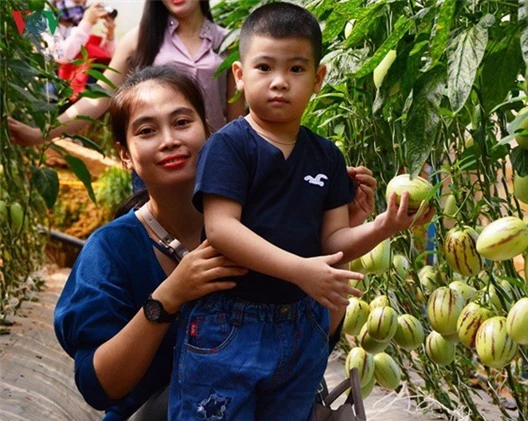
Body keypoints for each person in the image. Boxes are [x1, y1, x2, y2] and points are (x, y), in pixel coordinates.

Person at [53, 65, 376, 421]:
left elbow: (316, 338)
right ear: (124, 154)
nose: (169, 140)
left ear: (210, 132)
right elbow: (99, 386)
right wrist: (169, 297)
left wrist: (339, 236)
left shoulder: (270, 229)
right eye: (147, 130)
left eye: (181, 122)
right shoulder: (111, 251)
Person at [168, 3, 434, 420]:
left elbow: (333, 241)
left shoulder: (326, 156)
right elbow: (221, 229)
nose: (279, 82)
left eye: (295, 69)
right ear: (240, 76)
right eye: (264, 67)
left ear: (318, 79)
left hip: (299, 325)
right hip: (228, 325)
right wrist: (300, 270)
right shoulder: (229, 147)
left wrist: (385, 225)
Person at [9, 0, 245, 147]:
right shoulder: (139, 39)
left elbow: (236, 119)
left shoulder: (226, 43)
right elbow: (97, 99)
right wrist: (39, 134)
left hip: (213, 163)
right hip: (158, 162)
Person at [50, 0, 117, 101]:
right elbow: (61, 55)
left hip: (80, 81)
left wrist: (110, 37)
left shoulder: (82, 19)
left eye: (83, 2)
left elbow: (109, 58)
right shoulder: (47, 17)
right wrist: (86, 23)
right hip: (50, 78)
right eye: (76, 2)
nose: (81, 4)